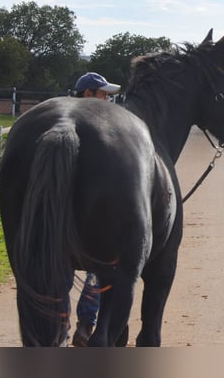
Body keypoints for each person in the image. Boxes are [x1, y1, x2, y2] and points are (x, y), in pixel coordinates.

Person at [71, 71, 121, 347]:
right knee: (98, 272)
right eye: (103, 94)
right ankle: (86, 325)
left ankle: (71, 327)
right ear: (88, 94)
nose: (108, 100)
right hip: (93, 218)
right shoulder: (102, 129)